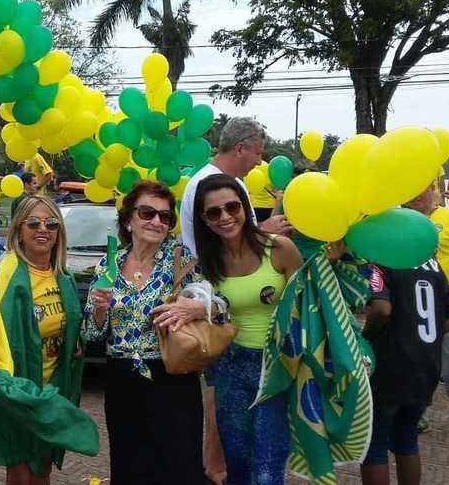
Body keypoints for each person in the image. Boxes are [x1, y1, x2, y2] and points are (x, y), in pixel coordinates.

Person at [83, 181, 218, 484]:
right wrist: (100, 309)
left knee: (178, 465)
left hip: (172, 377)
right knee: (130, 464)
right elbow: (92, 333)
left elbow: (220, 302)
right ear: (128, 219)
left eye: (165, 217)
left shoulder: (181, 260)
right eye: (147, 213)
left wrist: (198, 308)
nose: (157, 221)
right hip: (122, 381)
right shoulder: (110, 263)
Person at [0, 195, 99, 484]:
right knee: (23, 472)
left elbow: (72, 328)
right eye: (34, 223)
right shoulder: (3, 275)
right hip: (19, 388)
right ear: (19, 231)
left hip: (54, 389)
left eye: (51, 224)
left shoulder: (64, 278)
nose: (43, 229)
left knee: (43, 468)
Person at [194, 173, 303, 485]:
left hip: (276, 368)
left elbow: (307, 306)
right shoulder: (207, 262)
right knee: (238, 464)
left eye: (232, 207)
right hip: (230, 368)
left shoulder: (279, 249)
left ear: (244, 207)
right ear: (204, 219)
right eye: (214, 212)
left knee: (267, 472)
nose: (225, 217)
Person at [361, 259, 449, 484]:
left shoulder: (382, 259)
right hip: (425, 367)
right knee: (406, 438)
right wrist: (422, 334)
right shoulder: (431, 263)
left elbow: (381, 309)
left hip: (389, 365)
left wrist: (364, 336)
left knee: (374, 443)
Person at [400, 184, 449, 439]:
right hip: (411, 301)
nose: (416, 195)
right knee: (412, 360)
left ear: (435, 189)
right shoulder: (398, 221)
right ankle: (417, 411)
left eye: (423, 188)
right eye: (411, 189)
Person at [180, 117, 292, 257]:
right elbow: (215, 242)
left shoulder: (238, 183)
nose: (259, 162)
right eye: (258, 153)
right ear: (239, 149)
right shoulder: (203, 184)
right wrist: (263, 231)